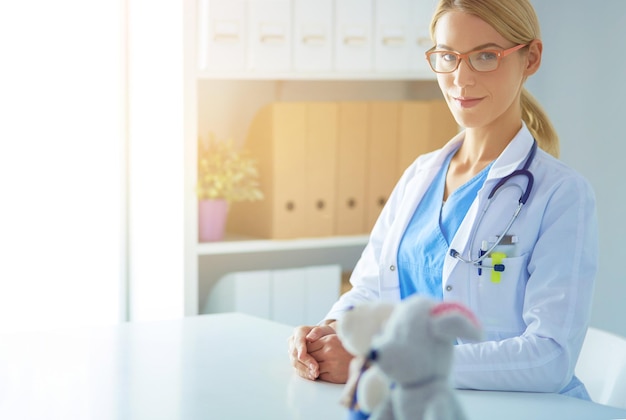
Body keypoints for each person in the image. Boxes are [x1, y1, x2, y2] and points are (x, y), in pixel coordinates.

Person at [287, 0, 598, 400]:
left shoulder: (560, 194)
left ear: (530, 58)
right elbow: (368, 290)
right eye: (448, 57)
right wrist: (326, 333)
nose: (461, 79)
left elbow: (549, 358)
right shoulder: (421, 176)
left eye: (485, 56)